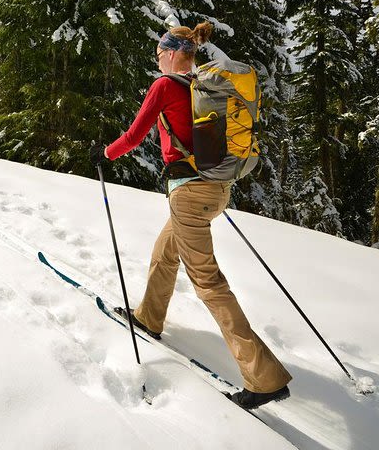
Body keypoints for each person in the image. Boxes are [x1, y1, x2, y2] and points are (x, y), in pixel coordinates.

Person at [89, 22, 292, 410]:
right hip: (215, 190)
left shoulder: (165, 86)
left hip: (190, 195)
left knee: (209, 282)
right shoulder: (203, 86)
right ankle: (149, 316)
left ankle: (263, 378)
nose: (157, 59)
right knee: (166, 251)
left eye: (159, 53)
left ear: (171, 51)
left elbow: (134, 136)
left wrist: (105, 154)